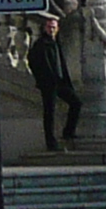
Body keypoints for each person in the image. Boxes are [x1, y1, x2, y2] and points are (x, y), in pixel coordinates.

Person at [25, 12, 82, 149]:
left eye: (54, 27)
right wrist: (42, 78)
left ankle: (68, 132)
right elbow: (32, 61)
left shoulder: (56, 42)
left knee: (76, 103)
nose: (51, 30)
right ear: (44, 28)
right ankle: (50, 142)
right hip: (48, 83)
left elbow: (61, 63)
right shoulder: (40, 44)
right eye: (49, 27)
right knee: (49, 112)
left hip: (60, 81)